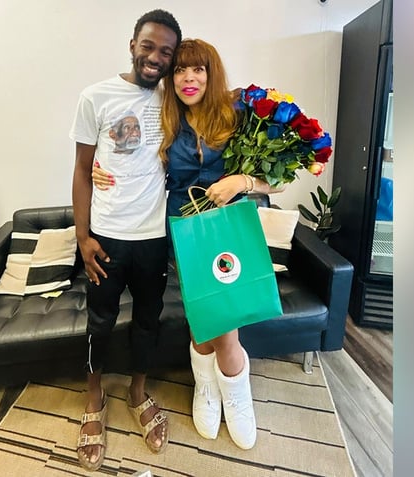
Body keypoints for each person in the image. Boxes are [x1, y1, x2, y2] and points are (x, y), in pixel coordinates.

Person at [93, 38, 283, 450]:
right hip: (182, 231)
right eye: (180, 69)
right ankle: (206, 388)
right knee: (201, 316)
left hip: (225, 233)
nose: (188, 77)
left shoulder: (238, 114)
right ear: (170, 77)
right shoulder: (165, 117)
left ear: (211, 73)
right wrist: (98, 169)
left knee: (226, 325)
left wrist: (243, 181)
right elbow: (125, 154)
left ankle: (236, 397)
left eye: (198, 69)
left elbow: (282, 178)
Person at [69, 9, 182, 471]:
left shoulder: (176, 100)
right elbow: (81, 170)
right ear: (132, 43)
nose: (155, 57)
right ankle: (94, 399)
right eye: (149, 45)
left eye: (166, 52)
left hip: (154, 237)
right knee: (100, 321)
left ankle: (137, 392)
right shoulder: (95, 97)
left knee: (149, 321)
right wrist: (82, 236)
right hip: (107, 238)